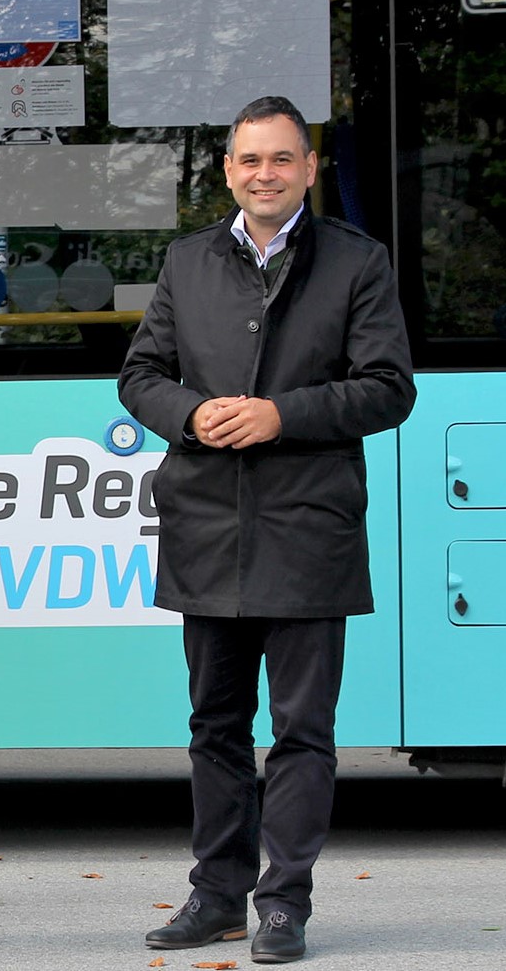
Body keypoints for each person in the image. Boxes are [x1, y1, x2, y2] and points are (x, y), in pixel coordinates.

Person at [119, 96, 414, 965]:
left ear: (309, 168)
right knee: (213, 726)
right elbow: (139, 375)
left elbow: (389, 387)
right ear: (227, 170)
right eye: (249, 160)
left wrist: (279, 415)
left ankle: (281, 903)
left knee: (300, 732)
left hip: (307, 530)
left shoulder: (357, 262)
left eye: (281, 159)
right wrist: (191, 412)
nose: (264, 174)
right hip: (205, 528)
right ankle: (215, 895)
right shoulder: (186, 261)